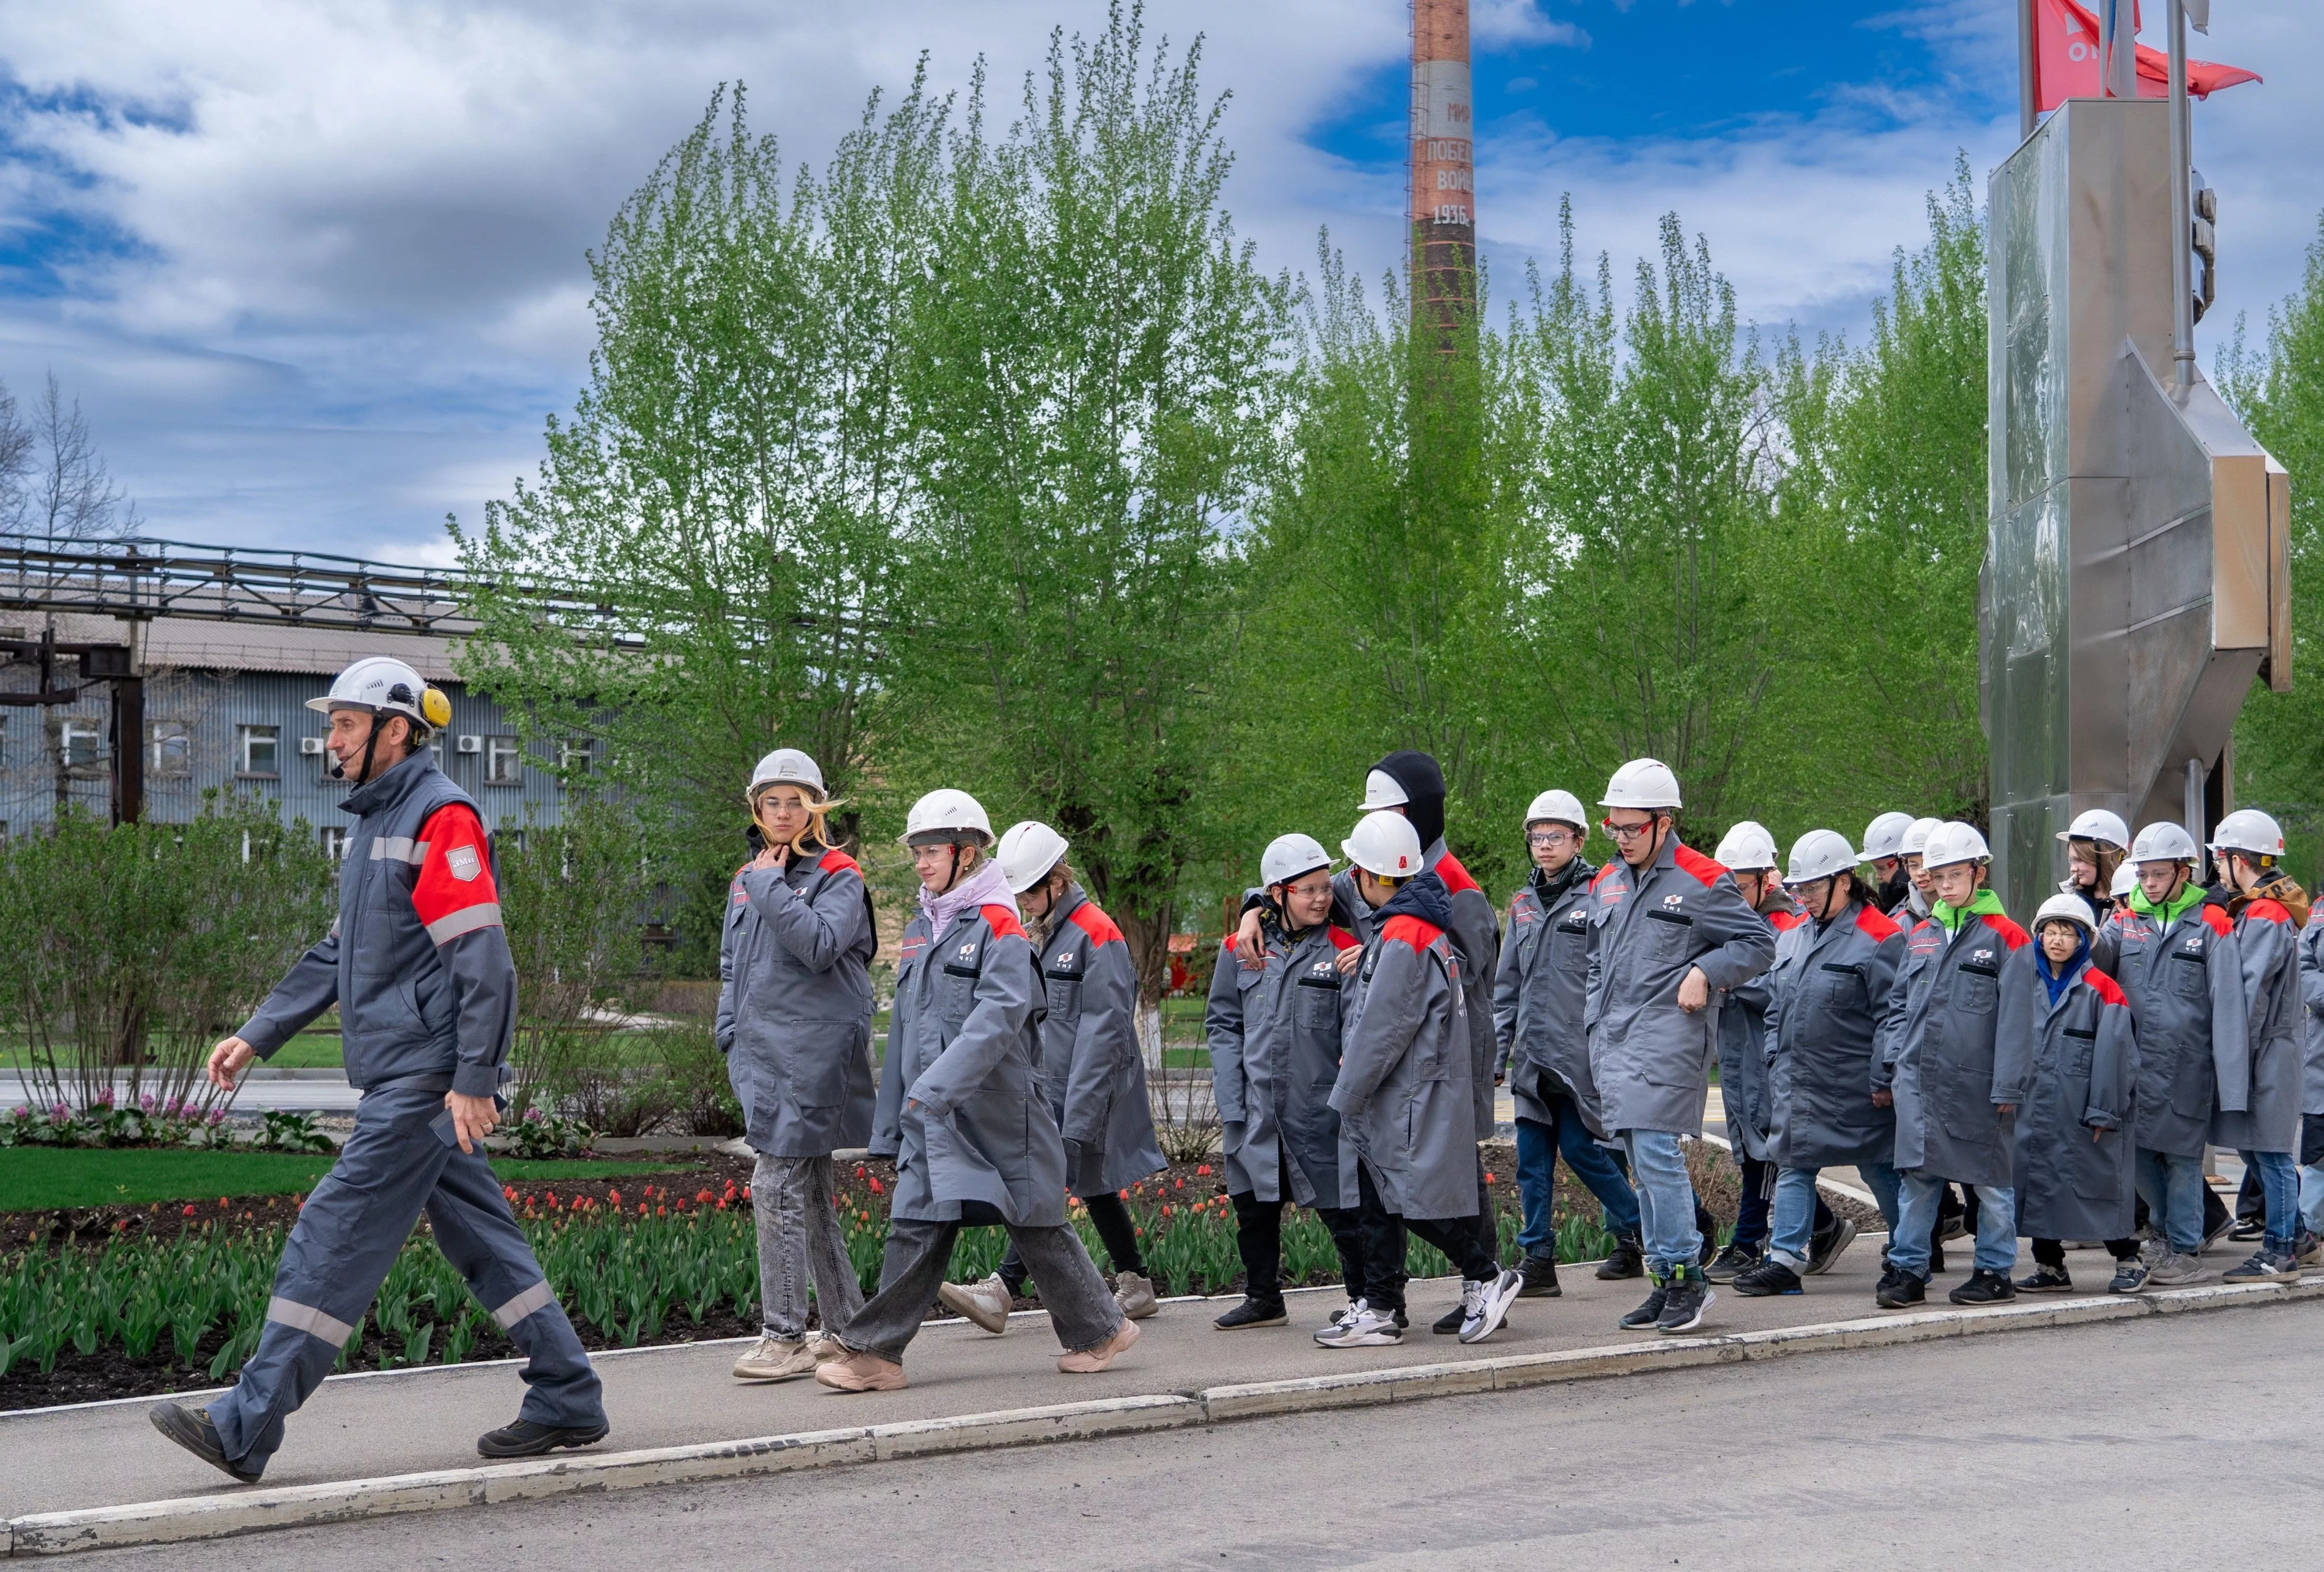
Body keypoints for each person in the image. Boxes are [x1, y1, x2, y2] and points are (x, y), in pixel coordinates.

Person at [150, 657, 607, 1482]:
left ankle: (245, 1425)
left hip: (426, 1078)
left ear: (396, 729)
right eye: (333, 726)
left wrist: (474, 1077)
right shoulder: (376, 823)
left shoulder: (442, 818)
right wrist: (259, 1032)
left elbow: (484, 960)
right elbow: (341, 949)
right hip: (411, 1068)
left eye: (346, 725)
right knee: (484, 1238)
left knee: (336, 1229)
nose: (330, 740)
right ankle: (567, 1391)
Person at [819, 790, 1134, 1391]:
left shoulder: (999, 925)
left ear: (967, 854)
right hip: (935, 1112)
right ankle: (878, 1353)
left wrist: (937, 1088)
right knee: (915, 1218)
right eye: (916, 852)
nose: (920, 862)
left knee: (1036, 1221)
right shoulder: (921, 928)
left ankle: (1100, 1328)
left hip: (997, 1109)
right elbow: (909, 1029)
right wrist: (897, 1114)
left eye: (931, 850)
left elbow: (1000, 1015)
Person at [1236, 751, 1503, 1332]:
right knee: (1386, 1180)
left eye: (1389, 809)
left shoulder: (1454, 888)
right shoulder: (1384, 869)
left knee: (1442, 1172)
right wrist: (1255, 906)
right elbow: (1303, 887)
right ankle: (1385, 1299)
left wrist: (1380, 959)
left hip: (1438, 1057)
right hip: (1399, 1058)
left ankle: (1483, 1276)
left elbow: (1461, 969)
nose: (1344, 885)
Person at [944, 821, 1167, 1327]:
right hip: (1053, 1086)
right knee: (1091, 1183)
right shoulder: (1043, 931)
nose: (1022, 902)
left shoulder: (1096, 931)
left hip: (1090, 1089)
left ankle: (1001, 1289)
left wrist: (1080, 1115)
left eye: (1029, 892)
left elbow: (1105, 1031)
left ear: (1057, 882)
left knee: (1045, 1180)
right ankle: (1136, 1283)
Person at [1586, 758, 1776, 1335]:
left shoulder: (1702, 877)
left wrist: (1705, 968)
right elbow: (1595, 960)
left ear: (1663, 822)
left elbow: (1758, 943)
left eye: (1631, 828)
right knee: (1642, 1163)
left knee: (1656, 1153)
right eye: (1612, 828)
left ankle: (1689, 1277)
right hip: (1614, 1040)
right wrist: (1593, 1022)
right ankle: (1665, 1277)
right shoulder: (1607, 879)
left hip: (1670, 1036)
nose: (1620, 839)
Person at [1323, 810, 1523, 1348]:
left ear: (1371, 875)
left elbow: (1383, 1027)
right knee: (1380, 1198)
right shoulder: (1414, 926)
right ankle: (1382, 1304)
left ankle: (1485, 1274)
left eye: (1355, 868)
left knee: (1405, 1200)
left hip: (1404, 1095)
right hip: (1407, 1091)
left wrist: (1348, 1093)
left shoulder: (1405, 934)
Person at [720, 748, 878, 1383]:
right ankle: (847, 1328)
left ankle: (783, 1337)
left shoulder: (840, 873)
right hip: (762, 1055)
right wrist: (728, 1030)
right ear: (757, 807)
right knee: (809, 1196)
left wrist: (769, 886)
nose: (782, 812)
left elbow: (817, 945)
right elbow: (732, 963)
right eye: (771, 801)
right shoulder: (745, 876)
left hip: (813, 1053)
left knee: (772, 1184)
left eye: (795, 801)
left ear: (815, 806)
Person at [1205, 834, 1384, 1331]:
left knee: (1342, 1209)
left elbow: (1359, 1030)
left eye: (1325, 887)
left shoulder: (1347, 950)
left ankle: (1367, 1300)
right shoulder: (1239, 949)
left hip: (1319, 1110)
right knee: (1252, 1206)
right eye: (1308, 890)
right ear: (1278, 894)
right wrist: (1230, 1094)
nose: (1322, 898)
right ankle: (1264, 1299)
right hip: (1255, 1106)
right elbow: (1222, 1022)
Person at [1735, 831, 1905, 1299]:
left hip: (1857, 1083)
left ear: (1844, 882)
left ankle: (1910, 1249)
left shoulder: (1882, 936)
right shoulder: (1796, 933)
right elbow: (1775, 1003)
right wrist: (1774, 1053)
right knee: (1793, 1164)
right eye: (1797, 888)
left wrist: (1884, 1074)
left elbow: (1895, 1013)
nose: (1802, 897)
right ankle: (1785, 1262)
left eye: (1811, 887)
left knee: (1880, 1168)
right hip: (1799, 1080)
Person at [1493, 790, 1643, 1297]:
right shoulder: (1521, 903)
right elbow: (1507, 983)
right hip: (1533, 1060)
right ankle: (1538, 1259)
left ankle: (1650, 1227)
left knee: (1584, 1150)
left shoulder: (1602, 893)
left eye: (1556, 835)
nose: (1545, 845)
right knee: (1531, 1162)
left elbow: (1619, 974)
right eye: (1537, 835)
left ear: (1579, 839)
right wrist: (1499, 1051)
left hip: (1581, 1057)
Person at [1875, 822, 2029, 1309]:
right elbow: (1897, 1006)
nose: (1944, 884)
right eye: (1937, 875)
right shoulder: (1922, 934)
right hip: (1921, 1083)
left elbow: (2020, 1021)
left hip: (1981, 1087)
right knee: (1918, 1179)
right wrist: (1894, 1063)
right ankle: (1907, 1269)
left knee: (1990, 1182)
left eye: (1954, 874)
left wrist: (2009, 1085)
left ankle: (1994, 1270)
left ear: (1978, 873)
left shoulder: (2008, 937)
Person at [2092, 821, 2249, 1287]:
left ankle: (2181, 1248)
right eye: (2142, 875)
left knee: (2182, 1159)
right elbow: (2097, 971)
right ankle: (2165, 1233)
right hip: (2134, 1064)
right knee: (2136, 1155)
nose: (2149, 883)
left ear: (2184, 872)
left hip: (2187, 1064)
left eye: (2158, 874)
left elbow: (2227, 1005)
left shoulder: (2212, 922)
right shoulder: (2123, 920)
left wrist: (2231, 1079)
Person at [1703, 820, 1841, 1282]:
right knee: (1750, 1145)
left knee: (1767, 1149)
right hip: (1740, 1050)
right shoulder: (1735, 920)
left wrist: (1723, 976)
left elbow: (1778, 987)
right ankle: (1824, 1227)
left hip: (1768, 1050)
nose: (1734, 895)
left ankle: (1749, 1240)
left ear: (1767, 879)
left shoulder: (1786, 923)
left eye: (1741, 886)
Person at [2008, 895, 2143, 1295]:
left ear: (2085, 940)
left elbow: (2117, 1057)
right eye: (2050, 931)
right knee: (2036, 1186)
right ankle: (2049, 1265)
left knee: (2098, 1188)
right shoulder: (2023, 984)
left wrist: (2104, 1110)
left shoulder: (2104, 990)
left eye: (2068, 933)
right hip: (2032, 1108)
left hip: (2082, 1111)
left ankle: (2128, 1259)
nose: (2057, 941)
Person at [2207, 810, 2311, 1282]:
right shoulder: (2264, 908)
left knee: (2269, 1153)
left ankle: (2281, 1249)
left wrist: (2231, 1059)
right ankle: (2299, 1236)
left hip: (2265, 1050)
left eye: (2220, 861)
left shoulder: (2265, 914)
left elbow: (2246, 995)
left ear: (2237, 860)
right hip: (2268, 1048)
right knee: (2256, 1150)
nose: (2216, 871)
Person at [2057, 809, 2131, 912]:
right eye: (2071, 860)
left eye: (2080, 860)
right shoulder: (2069, 899)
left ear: (2107, 857)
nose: (2073, 869)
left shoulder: (2136, 902)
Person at [1862, 811, 1917, 917]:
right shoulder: (1889, 903)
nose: (1878, 876)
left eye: (1882, 868)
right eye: (1875, 868)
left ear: (1904, 862)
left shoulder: (1924, 907)